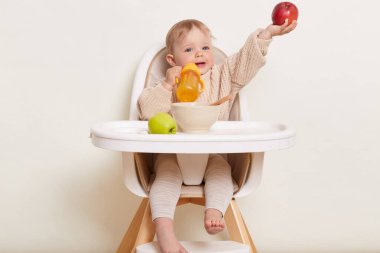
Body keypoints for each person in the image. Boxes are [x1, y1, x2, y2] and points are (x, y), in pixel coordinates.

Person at [137, 19, 297, 253]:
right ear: (172, 60)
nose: (199, 54)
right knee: (165, 177)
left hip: (212, 154)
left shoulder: (223, 77)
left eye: (205, 47)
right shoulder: (170, 83)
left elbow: (245, 61)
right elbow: (146, 112)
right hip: (173, 155)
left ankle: (214, 210)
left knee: (222, 173)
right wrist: (167, 86)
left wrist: (266, 34)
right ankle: (164, 230)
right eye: (189, 49)